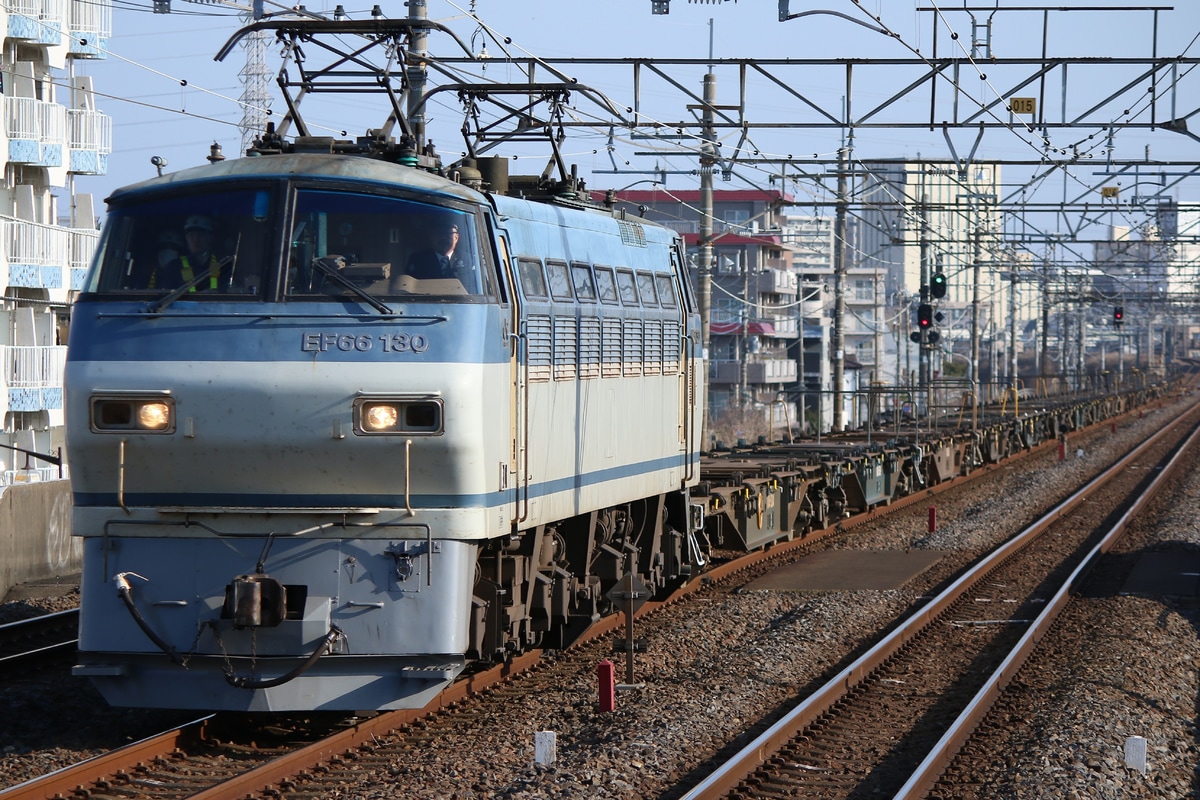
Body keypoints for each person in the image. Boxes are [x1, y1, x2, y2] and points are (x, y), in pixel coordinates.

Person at [154, 214, 229, 291]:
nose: (196, 239)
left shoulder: (223, 265)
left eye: (201, 234)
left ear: (210, 237)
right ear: (186, 238)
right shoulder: (175, 267)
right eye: (191, 235)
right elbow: (166, 297)